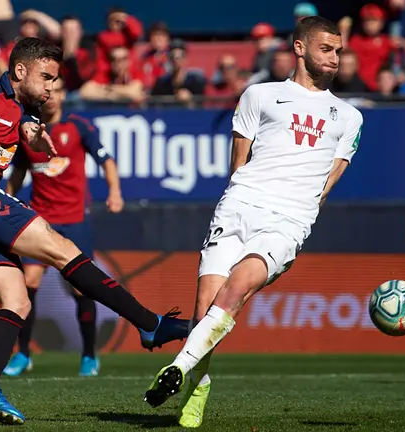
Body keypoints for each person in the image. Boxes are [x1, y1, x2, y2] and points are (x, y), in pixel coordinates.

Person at [0, 37, 188, 425]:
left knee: (17, 299)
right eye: (46, 77)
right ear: (20, 71)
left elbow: (16, 128)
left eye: (55, 80)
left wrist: (29, 132)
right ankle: (150, 325)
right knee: (61, 247)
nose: (52, 87)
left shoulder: (20, 111)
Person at [144, 17, 362, 428]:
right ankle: (198, 383)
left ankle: (175, 367)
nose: (334, 58)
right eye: (326, 49)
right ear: (300, 48)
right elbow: (237, 162)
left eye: (338, 51)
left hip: (289, 219)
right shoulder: (259, 96)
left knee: (237, 288)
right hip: (240, 206)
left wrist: (299, 215)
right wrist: (242, 198)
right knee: (205, 310)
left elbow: (329, 181)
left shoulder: (348, 116)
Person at [3, 76, 124, 377]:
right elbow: (18, 172)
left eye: (58, 91)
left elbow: (106, 160)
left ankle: (88, 355)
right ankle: (23, 354)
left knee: (81, 288)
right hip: (40, 220)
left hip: (75, 220)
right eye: (48, 91)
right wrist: (6, 200)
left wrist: (115, 192)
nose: (52, 96)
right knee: (28, 282)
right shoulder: (28, 132)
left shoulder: (79, 126)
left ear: (63, 94)